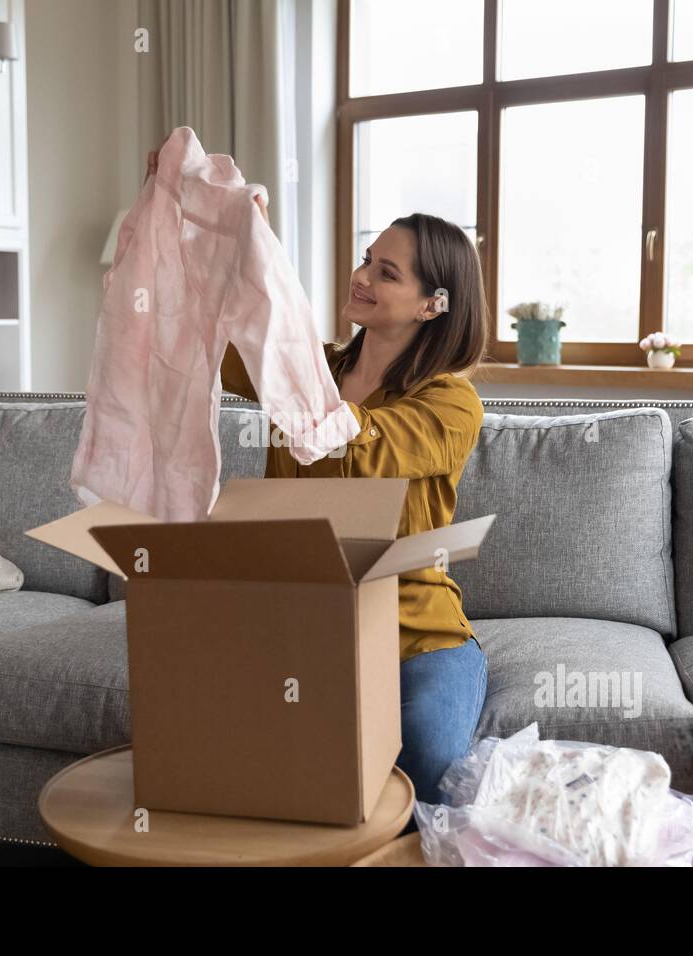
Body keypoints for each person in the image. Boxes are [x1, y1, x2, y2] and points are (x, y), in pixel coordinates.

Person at [146, 146, 491, 830]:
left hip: (417, 634)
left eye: (385, 273)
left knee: (423, 754)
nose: (360, 276)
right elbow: (206, 341)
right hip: (310, 626)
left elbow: (362, 449)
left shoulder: (451, 403)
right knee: (215, 739)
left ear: (433, 304)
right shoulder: (309, 370)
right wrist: (222, 235)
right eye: (367, 259)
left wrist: (293, 367)